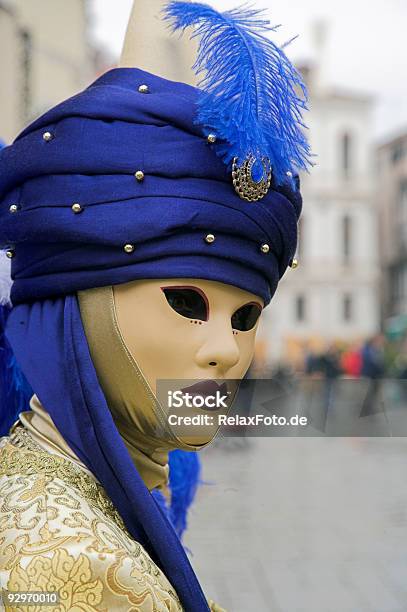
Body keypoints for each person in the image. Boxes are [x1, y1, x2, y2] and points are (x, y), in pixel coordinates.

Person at [0, 1, 311, 610]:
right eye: (186, 303)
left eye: (246, 317)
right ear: (80, 306)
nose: (226, 352)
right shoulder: (71, 566)